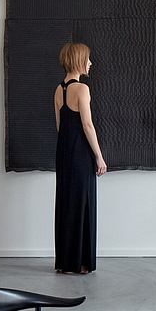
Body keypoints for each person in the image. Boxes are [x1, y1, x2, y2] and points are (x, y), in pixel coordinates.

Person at [53, 42, 107, 274]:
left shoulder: (58, 89)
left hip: (64, 152)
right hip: (80, 154)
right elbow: (87, 125)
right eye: (88, 59)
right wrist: (99, 156)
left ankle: (65, 262)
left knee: (66, 204)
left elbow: (59, 126)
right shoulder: (81, 89)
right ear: (79, 61)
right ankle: (81, 263)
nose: (91, 63)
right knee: (83, 203)